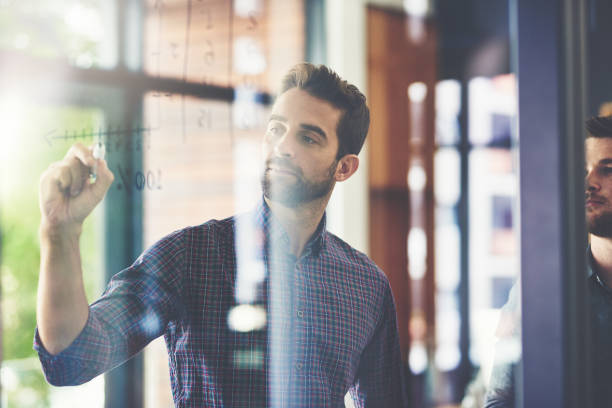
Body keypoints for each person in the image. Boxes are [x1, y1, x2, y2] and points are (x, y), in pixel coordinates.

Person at [34, 63, 409, 407]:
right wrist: (60, 233)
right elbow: (72, 360)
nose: (282, 147)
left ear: (344, 167)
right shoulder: (188, 256)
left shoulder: (367, 286)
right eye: (276, 129)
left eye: (308, 138)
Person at [484, 115, 612, 407]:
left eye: (608, 170)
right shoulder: (540, 288)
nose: (589, 182)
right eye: (583, 170)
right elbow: (500, 399)